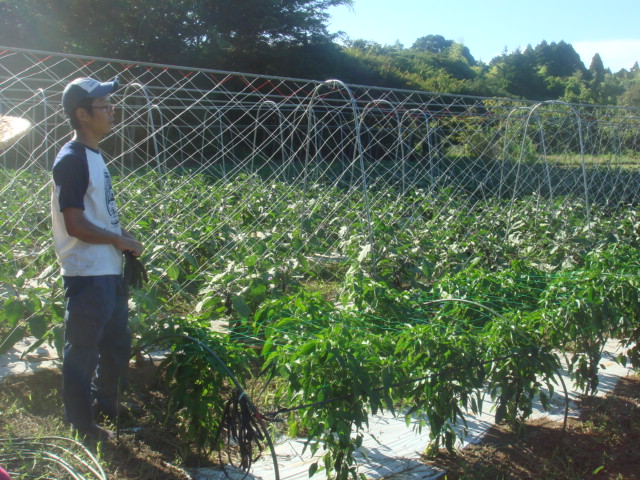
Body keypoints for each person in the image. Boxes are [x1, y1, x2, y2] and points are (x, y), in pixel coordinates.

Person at [51, 76, 143, 442]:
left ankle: (107, 403)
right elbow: (75, 223)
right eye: (104, 106)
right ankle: (81, 423)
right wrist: (118, 239)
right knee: (83, 350)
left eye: (110, 104)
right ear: (83, 114)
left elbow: (96, 214)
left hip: (107, 268)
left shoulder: (92, 156)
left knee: (117, 342)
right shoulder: (72, 160)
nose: (112, 110)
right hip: (87, 272)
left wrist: (122, 240)